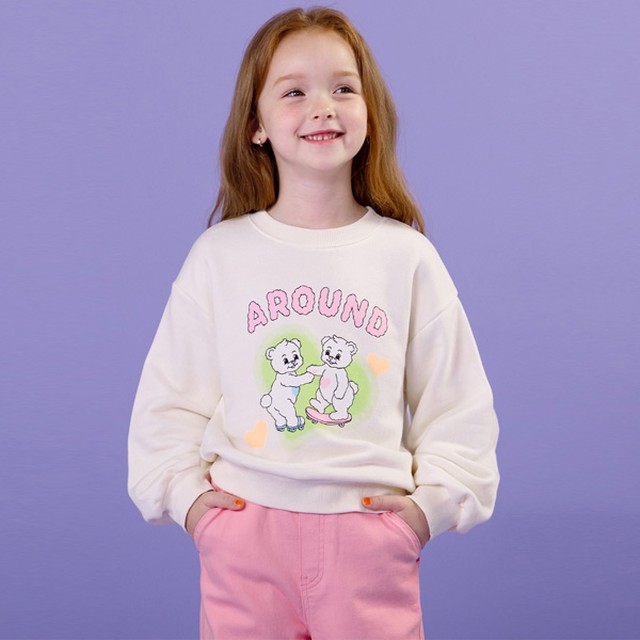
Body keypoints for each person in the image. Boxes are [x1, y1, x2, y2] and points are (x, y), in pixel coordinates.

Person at [128, 7, 499, 639]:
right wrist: (190, 506)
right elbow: (169, 400)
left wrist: (425, 513)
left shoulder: (406, 257)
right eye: (294, 91)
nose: (323, 107)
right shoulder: (220, 256)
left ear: (369, 112)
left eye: (343, 88)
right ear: (256, 125)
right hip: (244, 540)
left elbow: (457, 404)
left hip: (369, 543)